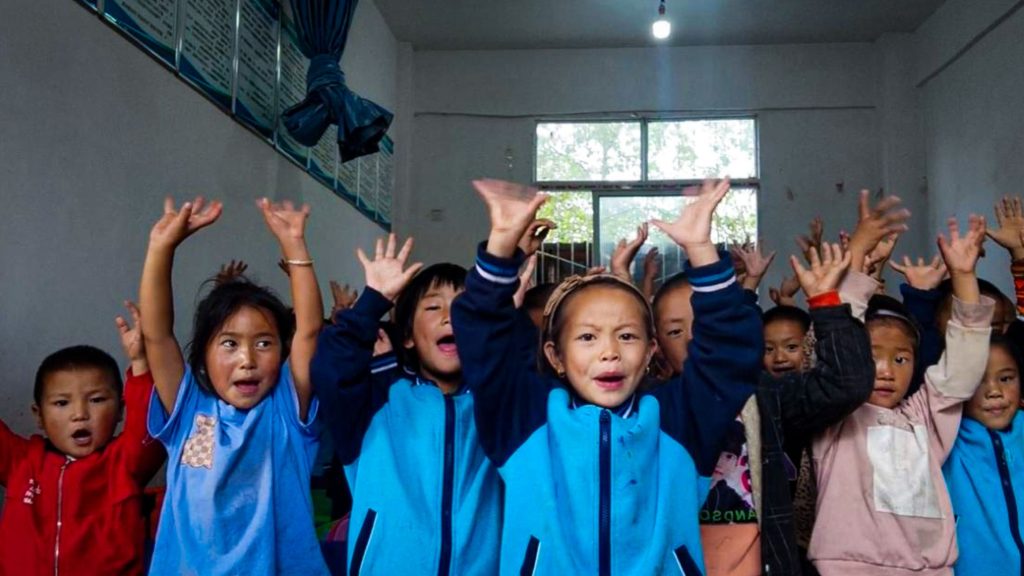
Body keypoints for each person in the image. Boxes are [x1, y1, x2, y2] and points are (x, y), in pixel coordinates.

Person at [452, 177, 762, 574]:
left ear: (651, 350)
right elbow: (482, 335)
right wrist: (501, 248)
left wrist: (701, 250)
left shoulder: (680, 422)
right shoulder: (525, 420)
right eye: (587, 337)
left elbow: (731, 352)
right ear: (555, 356)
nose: (609, 351)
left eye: (627, 336)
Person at [140, 197, 328, 575]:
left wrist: (295, 245)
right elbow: (157, 335)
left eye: (264, 343)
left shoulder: (285, 410)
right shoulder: (188, 408)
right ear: (204, 358)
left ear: (282, 351)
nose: (248, 359)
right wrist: (161, 249)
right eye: (229, 344)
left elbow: (309, 329)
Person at [0, 302, 166, 574]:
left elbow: (149, 424)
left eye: (97, 400)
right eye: (62, 403)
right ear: (38, 415)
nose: (80, 414)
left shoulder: (124, 463)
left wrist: (141, 363)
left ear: (121, 411)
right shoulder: (23, 461)